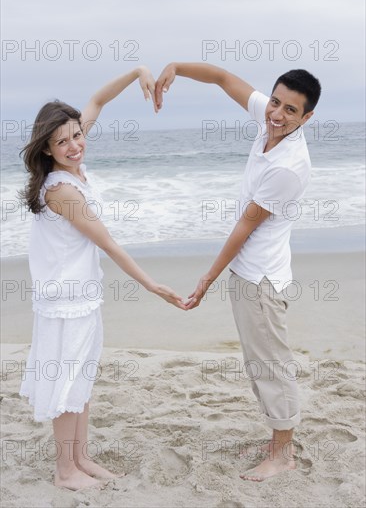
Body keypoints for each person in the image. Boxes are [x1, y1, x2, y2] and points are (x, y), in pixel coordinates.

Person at [19, 66, 186, 491]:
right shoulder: (61, 190)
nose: (75, 145)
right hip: (65, 301)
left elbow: (96, 101)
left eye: (77, 134)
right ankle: (64, 470)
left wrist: (137, 73)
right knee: (66, 383)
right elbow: (109, 243)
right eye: (63, 141)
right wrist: (151, 285)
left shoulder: (71, 158)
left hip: (82, 295)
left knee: (82, 379)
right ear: (47, 148)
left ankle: (81, 457)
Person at [155, 63, 321, 481]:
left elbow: (246, 226)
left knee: (271, 365)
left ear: (306, 118)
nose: (277, 114)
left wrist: (207, 279)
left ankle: (283, 455)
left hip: (260, 279)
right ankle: (277, 440)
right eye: (276, 102)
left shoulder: (288, 166)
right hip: (250, 273)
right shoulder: (270, 119)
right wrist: (177, 67)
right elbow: (225, 79)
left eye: (290, 110)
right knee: (259, 363)